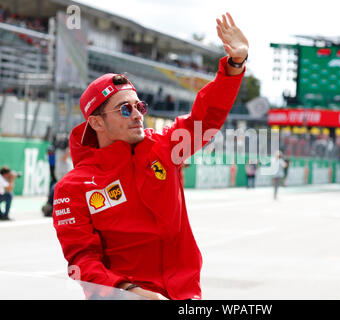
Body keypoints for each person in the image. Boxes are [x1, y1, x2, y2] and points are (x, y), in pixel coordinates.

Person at [52, 12, 248, 300]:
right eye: (124, 109)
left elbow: (205, 118)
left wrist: (234, 64)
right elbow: (82, 261)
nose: (137, 115)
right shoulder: (72, 188)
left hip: (184, 296)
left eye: (138, 106)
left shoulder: (167, 147)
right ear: (96, 122)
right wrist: (129, 292)